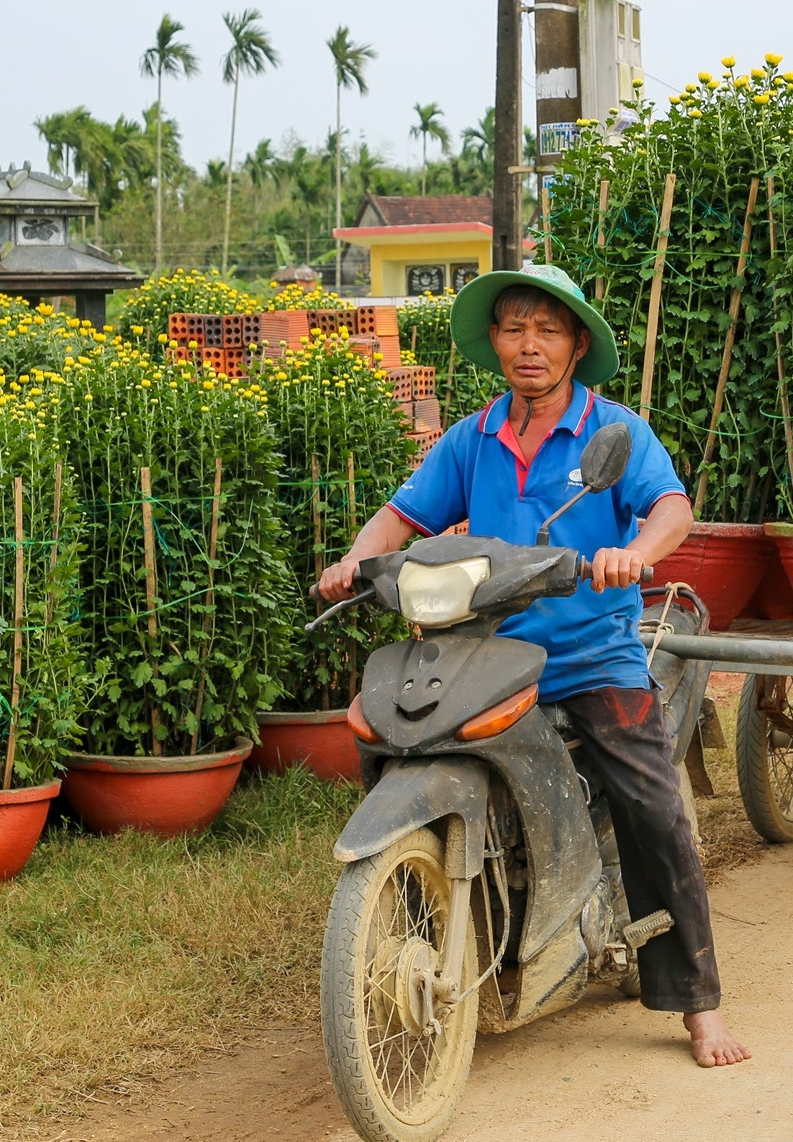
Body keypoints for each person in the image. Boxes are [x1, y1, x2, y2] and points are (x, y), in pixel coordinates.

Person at [316, 264, 751, 1068]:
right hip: (487, 652)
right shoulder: (471, 437)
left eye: (547, 330)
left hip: (593, 658)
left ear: (575, 345)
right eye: (514, 328)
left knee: (655, 811)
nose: (529, 345)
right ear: (494, 341)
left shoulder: (611, 430)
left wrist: (634, 554)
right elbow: (403, 514)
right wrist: (354, 560)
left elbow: (671, 508)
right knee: (390, 743)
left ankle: (698, 1008)